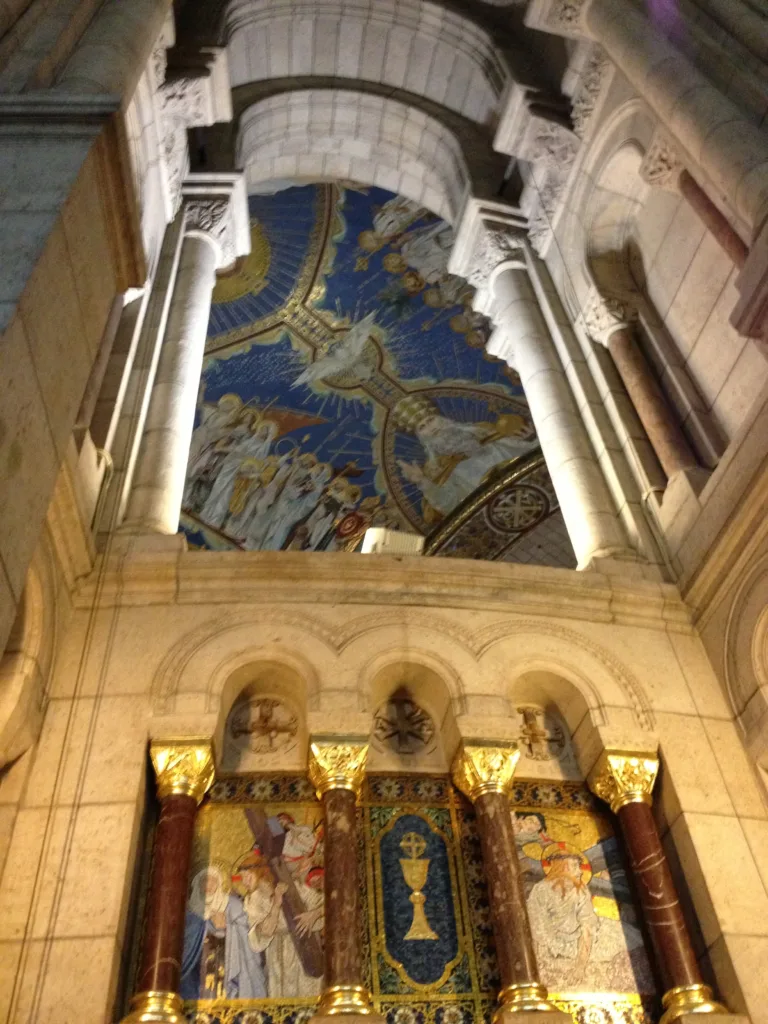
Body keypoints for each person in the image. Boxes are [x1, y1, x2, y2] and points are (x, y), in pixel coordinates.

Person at [180, 865, 268, 1000]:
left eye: (213, 881)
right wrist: (209, 924)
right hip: (199, 963)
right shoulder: (192, 909)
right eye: (205, 881)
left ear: (220, 883)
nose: (208, 885)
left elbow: (247, 932)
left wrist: (228, 927)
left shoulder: (233, 904)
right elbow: (187, 941)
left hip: (229, 960)